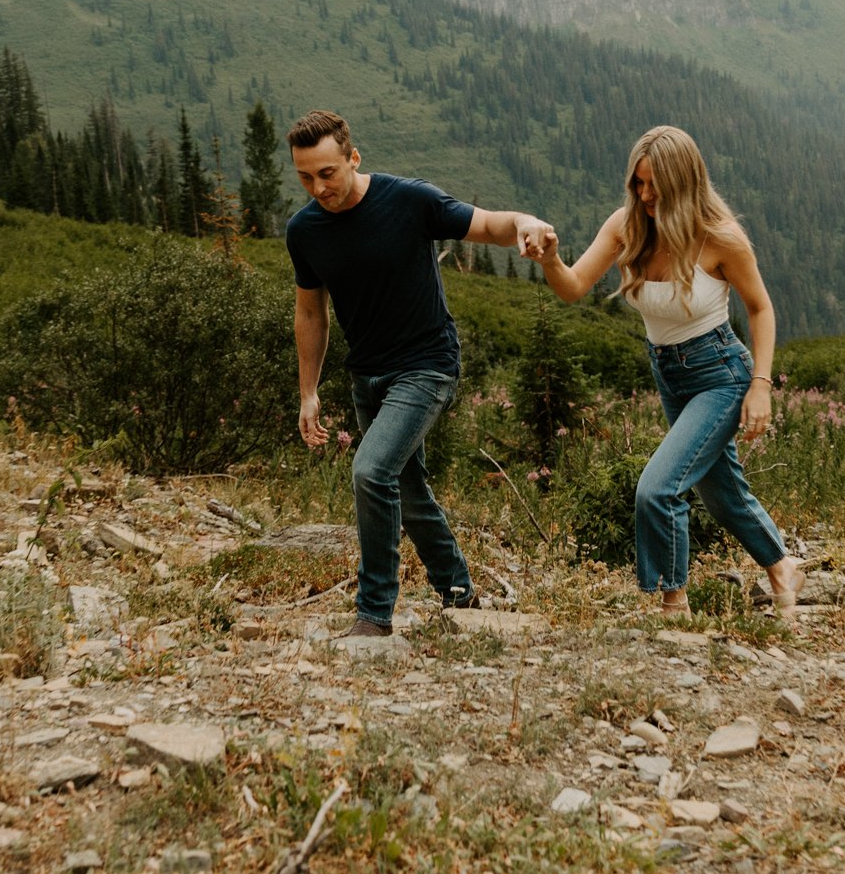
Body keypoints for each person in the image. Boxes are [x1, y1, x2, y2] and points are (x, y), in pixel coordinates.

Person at [286, 109, 557, 638]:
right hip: (367, 376)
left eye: (327, 173)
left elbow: (486, 224)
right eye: (304, 177)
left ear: (353, 158)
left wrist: (524, 222)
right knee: (407, 492)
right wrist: (308, 392)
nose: (318, 188)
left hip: (427, 366)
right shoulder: (305, 232)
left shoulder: (409, 200)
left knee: (370, 470)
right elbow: (310, 313)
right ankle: (459, 593)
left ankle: (373, 614)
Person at [536, 125, 804, 622]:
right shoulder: (627, 226)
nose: (645, 195)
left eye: (655, 185)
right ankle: (783, 565)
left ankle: (672, 604)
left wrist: (761, 387)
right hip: (669, 373)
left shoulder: (721, 238)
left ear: (686, 182)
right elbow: (572, 287)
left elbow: (760, 309)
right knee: (720, 493)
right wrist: (551, 258)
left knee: (658, 487)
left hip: (721, 373)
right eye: (638, 183)